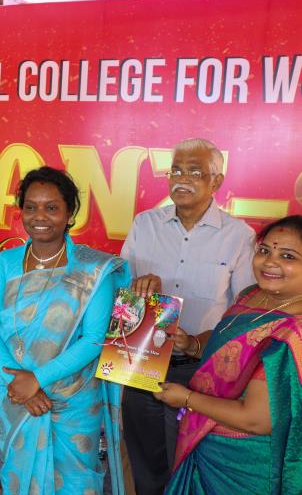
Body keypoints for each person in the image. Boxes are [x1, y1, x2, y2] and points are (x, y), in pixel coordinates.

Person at [0, 167, 129, 494]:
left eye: (51, 207)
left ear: (70, 213)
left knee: (75, 481)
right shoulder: (5, 263)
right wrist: (20, 382)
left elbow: (94, 340)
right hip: (17, 392)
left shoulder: (92, 269)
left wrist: (37, 379)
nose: (39, 216)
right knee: (20, 475)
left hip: (73, 399)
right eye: (30, 207)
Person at [120, 138, 255, 494]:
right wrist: (137, 288)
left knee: (191, 462)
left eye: (195, 172)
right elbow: (119, 292)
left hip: (202, 368)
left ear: (217, 181)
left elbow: (244, 312)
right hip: (142, 358)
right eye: (176, 170)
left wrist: (195, 342)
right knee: (145, 460)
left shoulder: (239, 236)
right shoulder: (144, 224)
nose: (182, 179)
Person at [154, 215, 302, 494]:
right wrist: (193, 345)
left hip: (244, 462)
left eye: (288, 256)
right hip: (206, 442)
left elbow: (256, 419)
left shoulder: (294, 331)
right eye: (264, 250)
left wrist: (186, 399)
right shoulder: (252, 294)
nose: (270, 262)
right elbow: (228, 339)